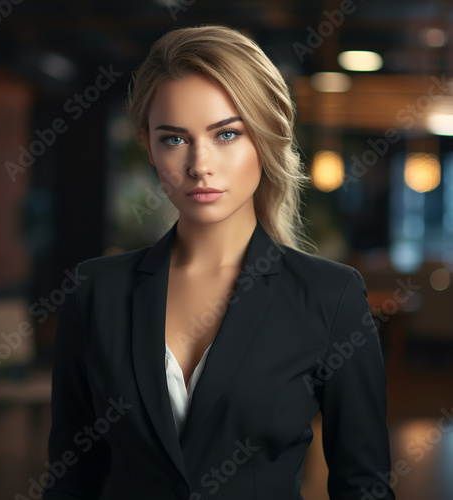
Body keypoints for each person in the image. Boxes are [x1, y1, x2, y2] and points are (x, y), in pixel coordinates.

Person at [42, 24, 395, 500]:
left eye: (226, 134)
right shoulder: (94, 290)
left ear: (268, 136)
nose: (199, 165)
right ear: (148, 144)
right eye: (174, 139)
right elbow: (70, 479)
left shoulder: (330, 297)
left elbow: (363, 486)